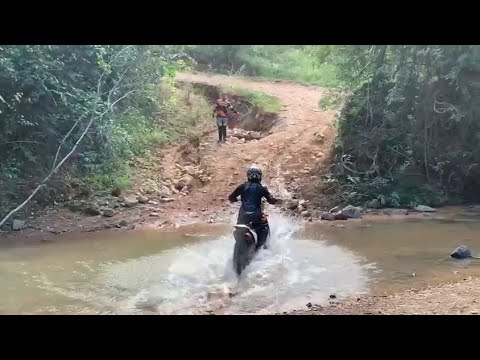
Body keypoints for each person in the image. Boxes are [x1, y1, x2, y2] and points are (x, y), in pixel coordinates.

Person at [228, 167, 282, 250]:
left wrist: (235, 199)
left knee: (238, 227)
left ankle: (241, 239)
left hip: (242, 216)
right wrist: (277, 201)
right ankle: (261, 247)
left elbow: (231, 197)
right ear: (260, 177)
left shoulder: (242, 186)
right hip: (256, 215)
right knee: (264, 226)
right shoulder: (262, 188)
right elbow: (270, 200)